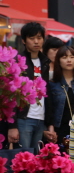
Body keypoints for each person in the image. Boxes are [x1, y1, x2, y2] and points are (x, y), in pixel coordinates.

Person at [8, 22, 54, 151]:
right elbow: (9, 96)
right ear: (24, 40)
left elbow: (47, 94)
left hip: (41, 119)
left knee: (37, 162)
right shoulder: (18, 61)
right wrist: (12, 125)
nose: (36, 41)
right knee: (23, 160)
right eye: (32, 38)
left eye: (39, 38)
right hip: (24, 119)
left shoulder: (45, 62)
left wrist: (49, 124)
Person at [46, 46, 74, 148]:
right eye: (64, 57)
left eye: (72, 57)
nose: (69, 60)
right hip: (60, 128)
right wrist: (51, 129)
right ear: (58, 61)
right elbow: (49, 109)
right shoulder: (52, 83)